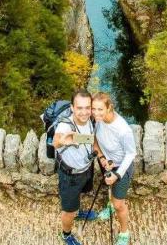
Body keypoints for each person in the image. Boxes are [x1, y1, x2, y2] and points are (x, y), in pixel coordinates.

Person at [92, 92, 136, 245]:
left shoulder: (123, 129)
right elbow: (95, 139)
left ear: (109, 107)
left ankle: (124, 232)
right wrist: (103, 158)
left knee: (119, 204)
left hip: (121, 168)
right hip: (107, 163)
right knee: (111, 195)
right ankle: (109, 206)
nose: (96, 113)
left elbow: (131, 153)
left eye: (100, 109)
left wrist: (117, 174)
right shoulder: (99, 120)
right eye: (93, 109)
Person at [53, 89, 96, 245]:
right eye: (79, 108)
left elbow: (90, 139)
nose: (84, 112)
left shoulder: (90, 120)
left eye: (87, 107)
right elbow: (56, 141)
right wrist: (61, 142)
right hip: (70, 176)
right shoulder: (65, 126)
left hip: (86, 169)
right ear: (72, 108)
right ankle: (66, 234)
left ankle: (77, 212)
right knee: (68, 209)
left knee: (80, 194)